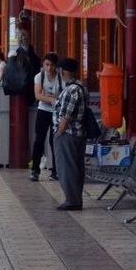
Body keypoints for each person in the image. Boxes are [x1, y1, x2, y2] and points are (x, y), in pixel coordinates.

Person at [52, 58, 87, 211]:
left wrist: (58, 134)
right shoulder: (81, 87)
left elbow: (65, 116)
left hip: (68, 134)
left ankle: (72, 200)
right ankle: (75, 198)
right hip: (77, 133)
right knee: (75, 166)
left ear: (62, 71)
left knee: (67, 167)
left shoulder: (71, 90)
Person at [30, 53, 62, 182]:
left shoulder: (60, 78)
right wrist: (51, 99)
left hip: (56, 112)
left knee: (54, 141)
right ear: (43, 65)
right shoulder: (39, 76)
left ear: (56, 66)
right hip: (43, 111)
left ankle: (55, 171)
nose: (49, 68)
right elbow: (37, 95)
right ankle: (35, 170)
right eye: (46, 65)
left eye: (52, 65)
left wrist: (55, 101)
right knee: (39, 140)